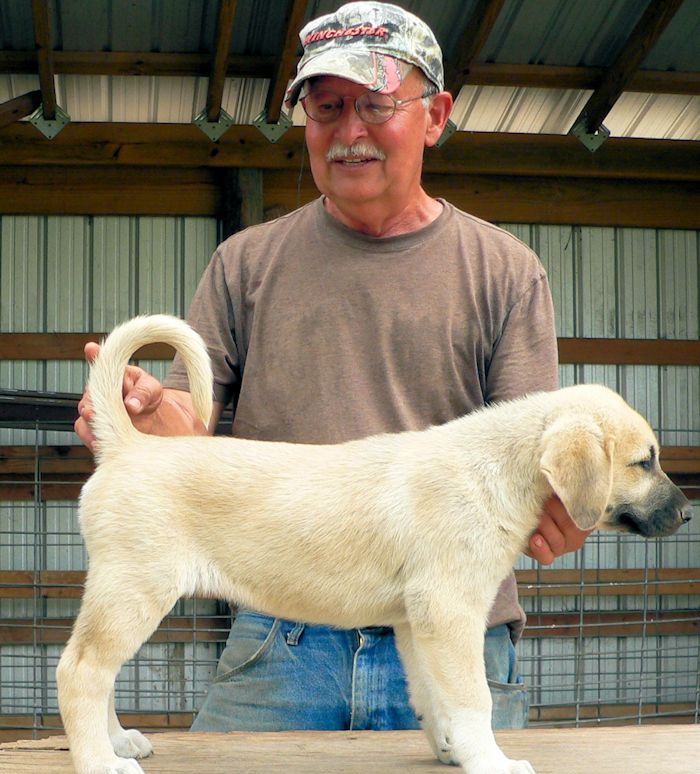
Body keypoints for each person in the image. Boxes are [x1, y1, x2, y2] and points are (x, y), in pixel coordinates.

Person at [75, 2, 588, 733]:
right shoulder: (245, 264)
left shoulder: (505, 272)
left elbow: (529, 466)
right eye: (326, 108)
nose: (349, 132)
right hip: (285, 634)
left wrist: (565, 513)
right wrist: (147, 412)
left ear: (436, 115)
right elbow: (187, 434)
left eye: (376, 104)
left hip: (453, 632)